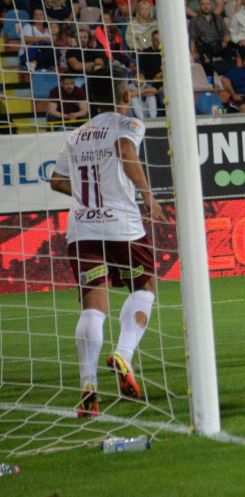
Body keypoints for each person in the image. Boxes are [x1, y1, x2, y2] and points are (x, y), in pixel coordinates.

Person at [51, 71, 166, 417]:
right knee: (144, 284)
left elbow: (57, 181)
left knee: (92, 305)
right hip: (122, 226)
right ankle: (124, 354)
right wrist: (148, 196)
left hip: (82, 228)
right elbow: (126, 151)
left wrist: (91, 197)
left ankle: (88, 385)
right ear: (125, 96)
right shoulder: (126, 124)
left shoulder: (76, 135)